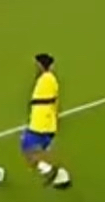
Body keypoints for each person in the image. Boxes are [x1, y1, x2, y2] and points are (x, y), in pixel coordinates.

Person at [20, 52, 71, 188]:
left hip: (41, 122)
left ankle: (51, 171)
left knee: (28, 148)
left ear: (41, 65)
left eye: (36, 64)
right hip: (45, 122)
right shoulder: (47, 78)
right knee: (41, 151)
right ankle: (60, 176)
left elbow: (47, 100)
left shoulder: (47, 79)